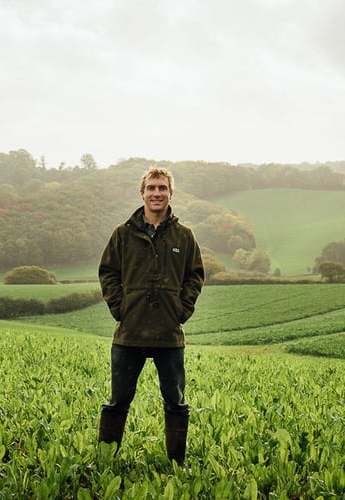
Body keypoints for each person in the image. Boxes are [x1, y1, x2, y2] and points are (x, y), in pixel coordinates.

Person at [97, 167, 205, 465]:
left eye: (162, 188)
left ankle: (176, 465)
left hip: (169, 335)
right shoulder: (123, 233)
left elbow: (195, 276)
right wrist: (120, 308)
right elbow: (108, 272)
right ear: (142, 193)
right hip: (129, 333)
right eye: (151, 188)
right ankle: (105, 463)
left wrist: (181, 311)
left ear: (171, 193)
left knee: (176, 403)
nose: (157, 193)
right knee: (118, 402)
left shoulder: (184, 236)